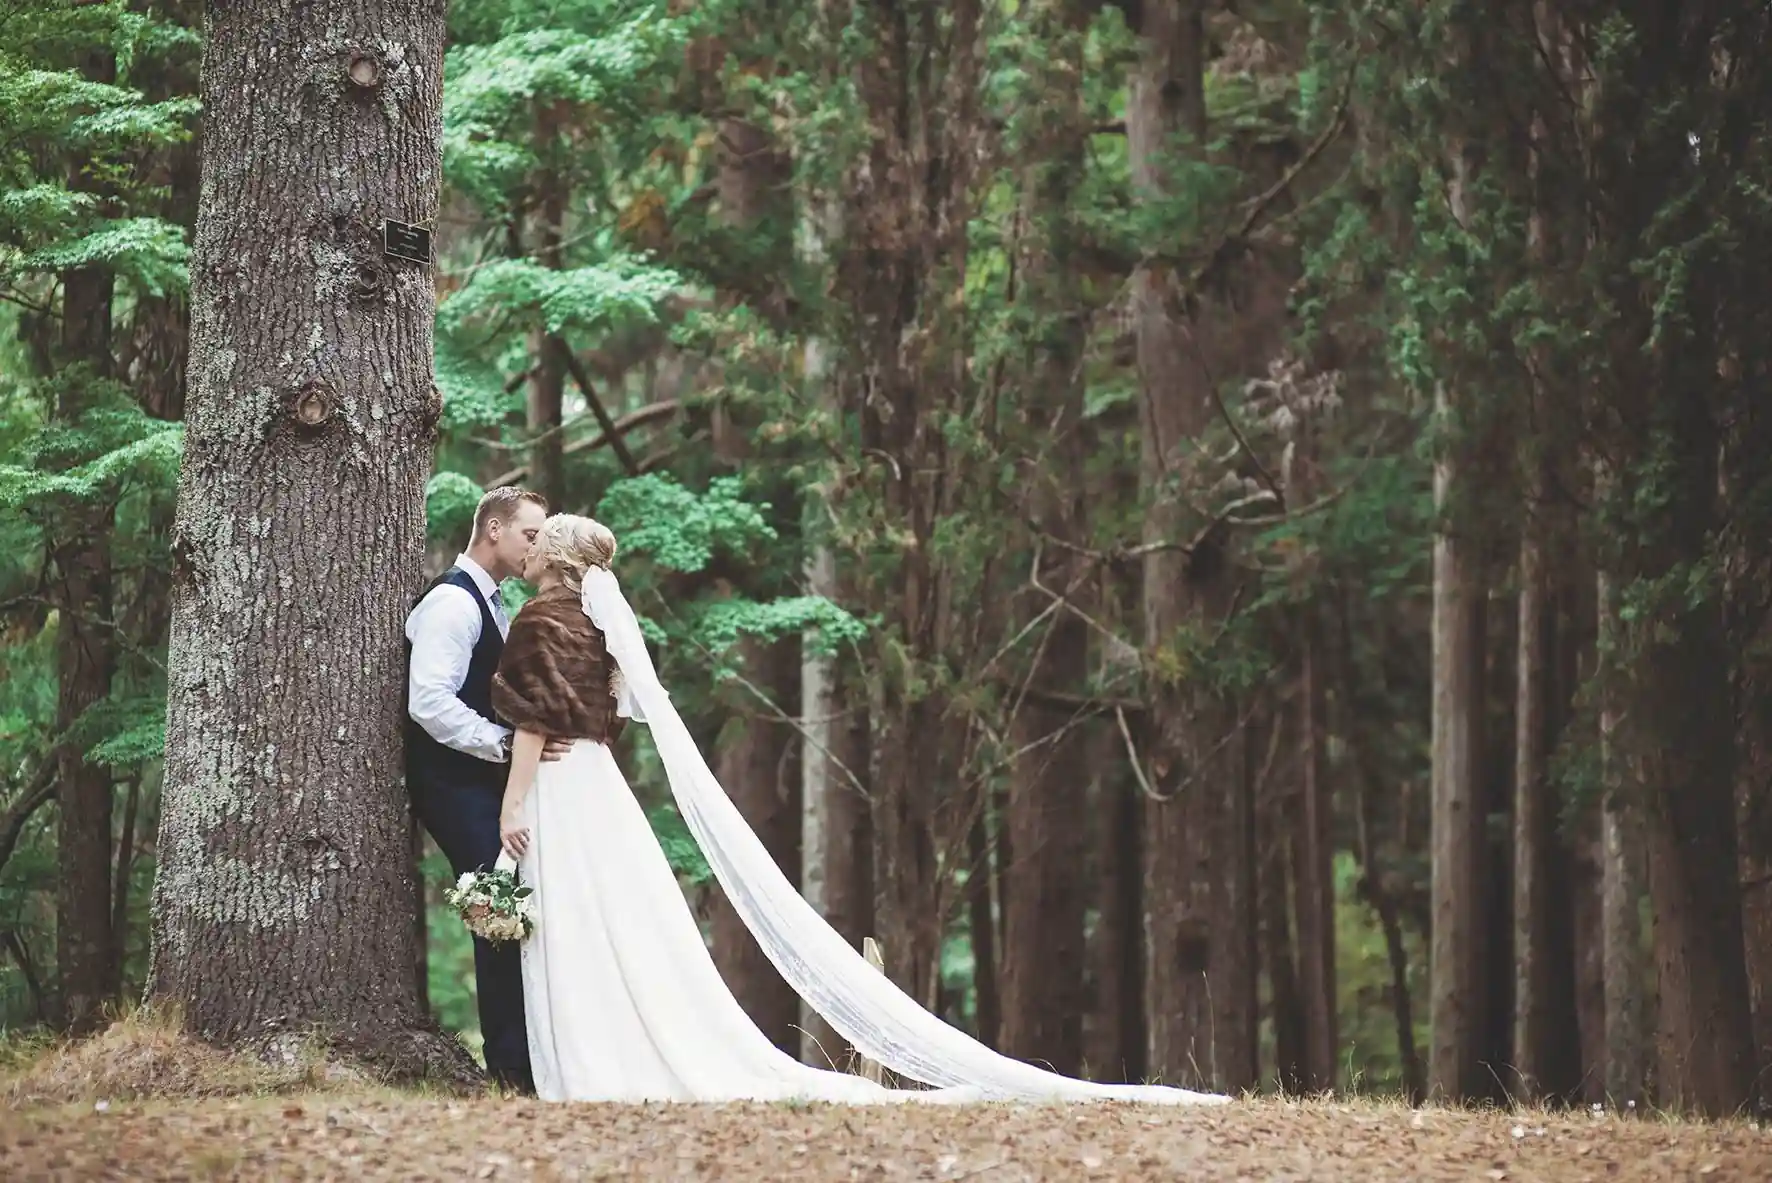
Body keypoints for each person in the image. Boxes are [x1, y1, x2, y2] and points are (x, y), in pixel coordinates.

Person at [489, 512, 1229, 1105]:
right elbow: (607, 708)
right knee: (612, 918)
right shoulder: (597, 623)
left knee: (574, 919)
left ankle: (587, 1058)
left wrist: (514, 800)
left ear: (553, 559)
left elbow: (534, 719)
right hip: (601, 782)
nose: (527, 553)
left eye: (536, 543)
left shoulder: (538, 621)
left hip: (559, 783)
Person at [404, 486, 570, 1095]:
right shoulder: (453, 602)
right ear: (493, 530)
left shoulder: (496, 604)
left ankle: (528, 1059)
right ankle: (510, 1068)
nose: (540, 544)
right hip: (451, 783)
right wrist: (503, 744)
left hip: (483, 784)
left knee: (515, 907)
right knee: (497, 909)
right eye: (532, 533)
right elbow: (428, 702)